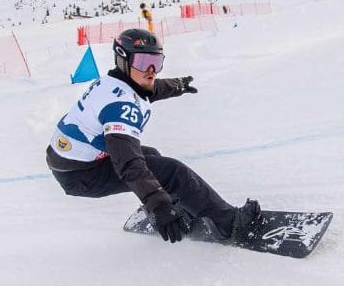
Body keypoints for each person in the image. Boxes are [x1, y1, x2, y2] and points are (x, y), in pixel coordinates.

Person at [45, 28, 262, 244]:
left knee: (152, 156)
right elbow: (129, 163)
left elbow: (148, 88)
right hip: (81, 175)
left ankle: (181, 209)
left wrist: (176, 85)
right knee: (173, 172)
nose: (151, 70)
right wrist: (158, 205)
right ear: (123, 60)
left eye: (156, 62)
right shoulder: (121, 108)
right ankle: (230, 224)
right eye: (142, 62)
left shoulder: (111, 83)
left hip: (69, 162)